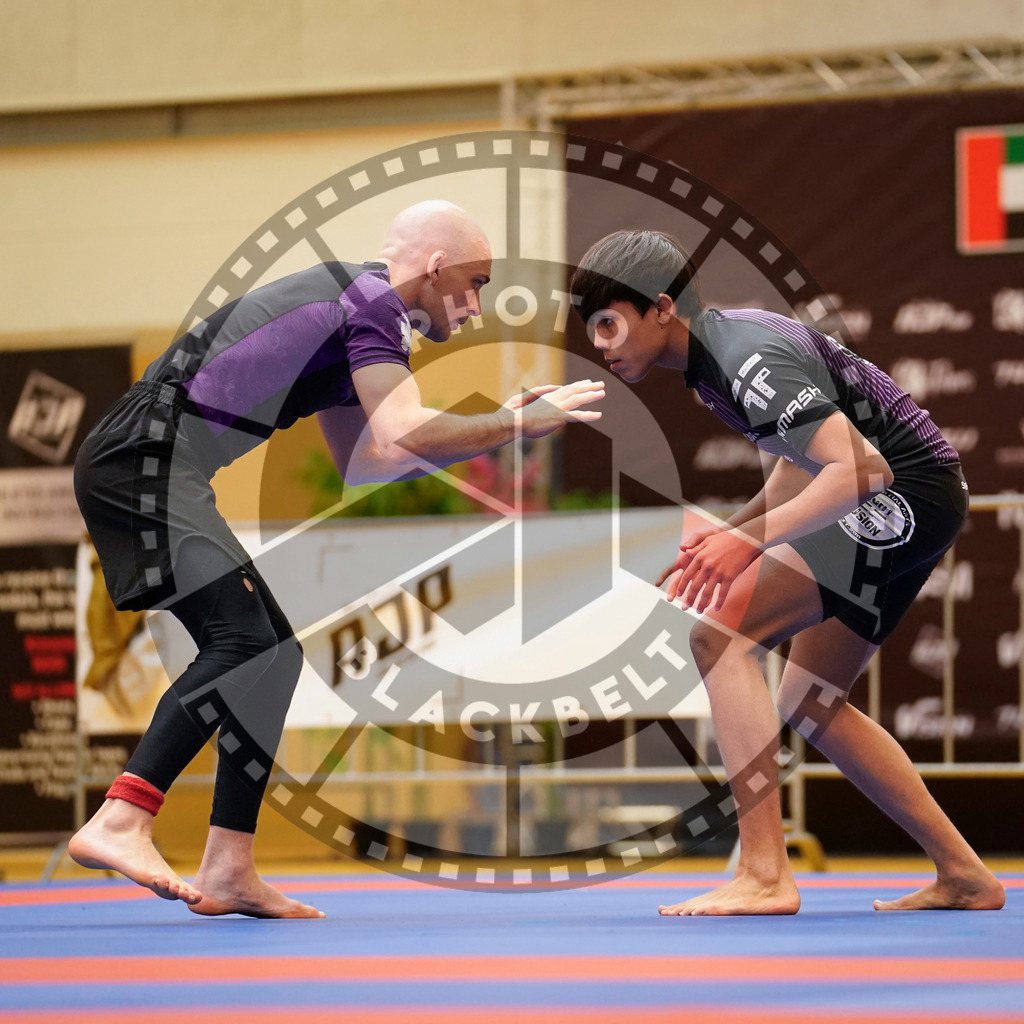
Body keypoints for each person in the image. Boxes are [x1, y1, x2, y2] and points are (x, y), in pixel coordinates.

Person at [69, 200, 604, 918]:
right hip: (143, 459)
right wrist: (511, 421)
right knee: (244, 643)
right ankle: (123, 817)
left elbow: (372, 459)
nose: (477, 308)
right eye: (475, 284)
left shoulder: (361, 310)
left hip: (155, 462)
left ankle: (229, 865)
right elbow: (407, 429)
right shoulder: (373, 301)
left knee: (273, 654)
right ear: (436, 267)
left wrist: (503, 424)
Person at [571, 229, 1004, 916]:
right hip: (923, 493)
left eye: (607, 323)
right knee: (810, 699)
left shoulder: (744, 357)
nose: (599, 343)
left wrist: (746, 544)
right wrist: (734, 533)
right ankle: (965, 875)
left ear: (661, 308)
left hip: (903, 493)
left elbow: (860, 471)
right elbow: (797, 465)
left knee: (720, 639)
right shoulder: (718, 355)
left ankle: (766, 874)